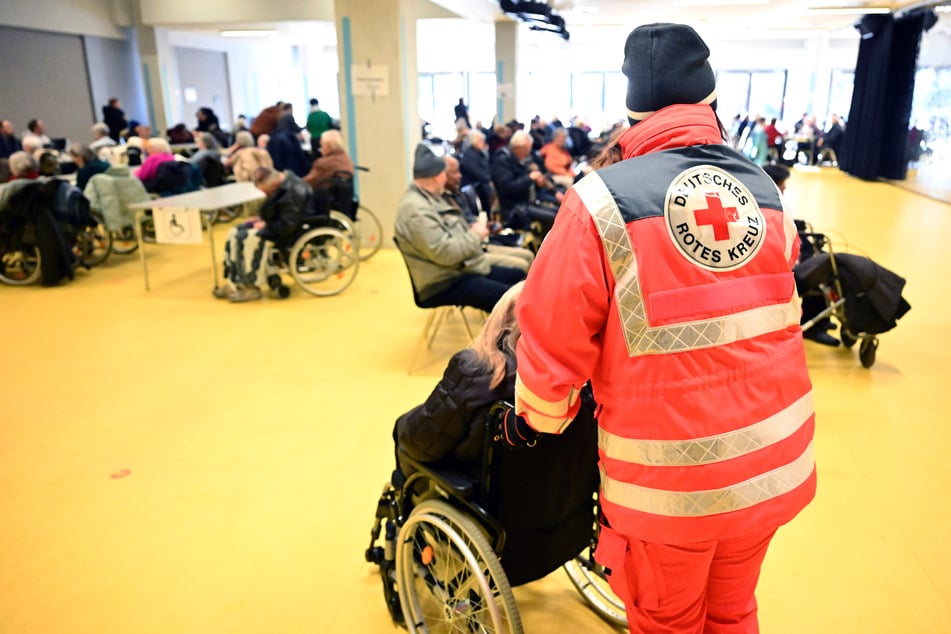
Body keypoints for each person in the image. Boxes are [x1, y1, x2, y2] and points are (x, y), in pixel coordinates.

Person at [507, 23, 816, 633]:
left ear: (632, 111)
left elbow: (550, 335)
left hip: (672, 485)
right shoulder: (764, 191)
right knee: (733, 611)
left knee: (666, 621)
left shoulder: (599, 202)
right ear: (710, 101)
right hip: (774, 458)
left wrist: (541, 420)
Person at [394, 144, 525, 313]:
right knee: (513, 301)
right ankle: (502, 337)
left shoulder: (431, 198)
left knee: (517, 279)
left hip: (459, 267)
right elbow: (446, 253)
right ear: (437, 176)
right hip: (444, 281)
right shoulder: (416, 211)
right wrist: (476, 235)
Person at [763, 163, 840, 347]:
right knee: (821, 270)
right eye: (782, 185)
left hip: (784, 259)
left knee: (821, 258)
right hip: (780, 269)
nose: (785, 188)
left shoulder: (769, 201)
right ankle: (814, 325)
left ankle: (820, 316)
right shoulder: (770, 206)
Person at [215, 166, 306, 302]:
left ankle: (251, 286)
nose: (266, 194)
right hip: (276, 223)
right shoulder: (283, 186)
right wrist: (261, 219)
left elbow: (288, 223)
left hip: (286, 231)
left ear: (273, 184)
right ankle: (234, 282)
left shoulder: (293, 193)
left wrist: (267, 224)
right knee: (235, 231)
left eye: (265, 191)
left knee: (246, 238)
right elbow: (279, 211)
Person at [443, 155, 533, 273]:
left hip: (478, 244)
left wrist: (483, 226)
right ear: (442, 176)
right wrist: (478, 232)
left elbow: (469, 220)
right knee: (521, 264)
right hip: (470, 254)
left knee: (529, 256)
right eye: (455, 172)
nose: (460, 176)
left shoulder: (455, 195)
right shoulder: (440, 203)